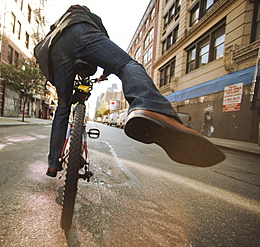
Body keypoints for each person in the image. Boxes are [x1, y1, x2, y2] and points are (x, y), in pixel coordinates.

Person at [34, 5, 225, 177]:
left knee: (62, 107)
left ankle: (52, 164)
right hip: (82, 33)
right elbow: (105, 44)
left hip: (56, 48)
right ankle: (149, 107)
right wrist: (106, 72)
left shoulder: (58, 24)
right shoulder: (88, 17)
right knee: (126, 64)